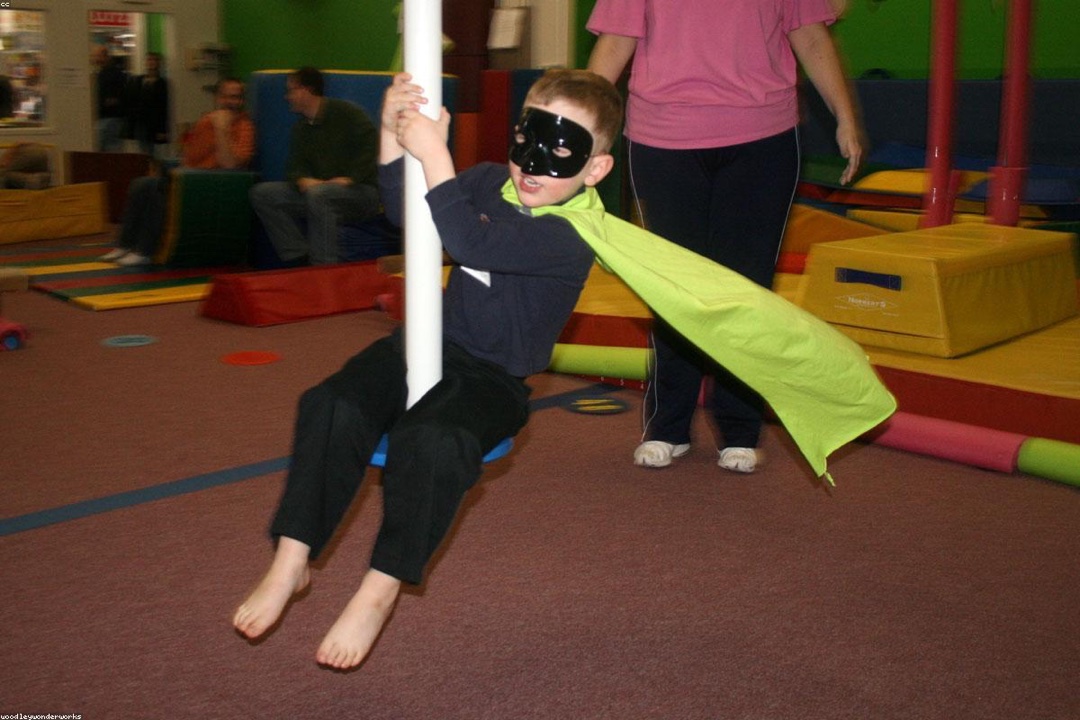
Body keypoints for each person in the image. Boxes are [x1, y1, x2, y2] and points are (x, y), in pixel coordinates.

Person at [233, 68, 621, 670]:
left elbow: (472, 244)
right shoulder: (493, 179)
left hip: (493, 379)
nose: (533, 166)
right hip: (424, 343)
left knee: (432, 442)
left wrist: (437, 153)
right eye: (528, 141)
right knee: (330, 403)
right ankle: (291, 559)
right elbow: (408, 213)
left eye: (560, 151)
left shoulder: (577, 234)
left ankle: (380, 587)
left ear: (594, 169)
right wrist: (395, 135)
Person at [587, 0, 864, 474]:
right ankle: (666, 426)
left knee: (748, 287)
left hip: (762, 137)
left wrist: (845, 117)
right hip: (665, 138)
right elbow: (615, 42)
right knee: (673, 288)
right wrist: (582, 124)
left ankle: (740, 427)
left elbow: (811, 36)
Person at [101, 77, 255, 266]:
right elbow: (189, 157)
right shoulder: (207, 121)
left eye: (237, 97)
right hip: (195, 177)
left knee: (161, 187)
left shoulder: (244, 125)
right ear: (218, 98)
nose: (232, 102)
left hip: (219, 184)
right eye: (227, 97)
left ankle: (145, 250)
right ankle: (125, 244)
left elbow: (231, 164)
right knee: (141, 183)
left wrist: (222, 128)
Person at [248, 67, 380, 266]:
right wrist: (302, 180)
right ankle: (297, 255)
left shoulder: (347, 114)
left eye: (291, 90)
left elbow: (373, 146)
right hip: (320, 192)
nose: (287, 96)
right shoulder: (301, 128)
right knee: (263, 193)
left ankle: (324, 267)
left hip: (360, 194)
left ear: (306, 90)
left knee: (320, 195)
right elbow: (295, 167)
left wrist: (351, 178)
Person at [126, 52, 170, 158]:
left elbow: (163, 107)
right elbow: (133, 101)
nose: (151, 62)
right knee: (143, 153)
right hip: (140, 123)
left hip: (154, 123)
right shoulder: (138, 80)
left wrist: (162, 129)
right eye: (149, 60)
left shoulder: (161, 83)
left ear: (159, 63)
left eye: (154, 60)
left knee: (154, 154)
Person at [93, 46, 127, 152]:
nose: (95, 59)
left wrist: (112, 100)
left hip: (112, 119)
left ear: (105, 56)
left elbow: (122, 95)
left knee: (111, 151)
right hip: (105, 118)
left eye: (97, 56)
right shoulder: (102, 73)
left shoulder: (115, 74)